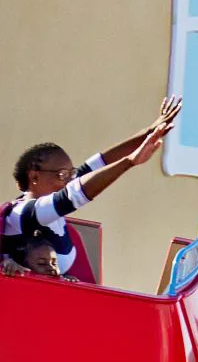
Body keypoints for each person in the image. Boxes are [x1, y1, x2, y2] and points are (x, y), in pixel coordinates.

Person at [5, 98, 180, 276]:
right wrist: (130, 162)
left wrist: (151, 132)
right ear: (34, 176)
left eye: (71, 174)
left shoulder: (50, 201)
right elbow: (73, 195)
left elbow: (100, 163)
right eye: (62, 175)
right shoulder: (24, 214)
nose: (69, 181)